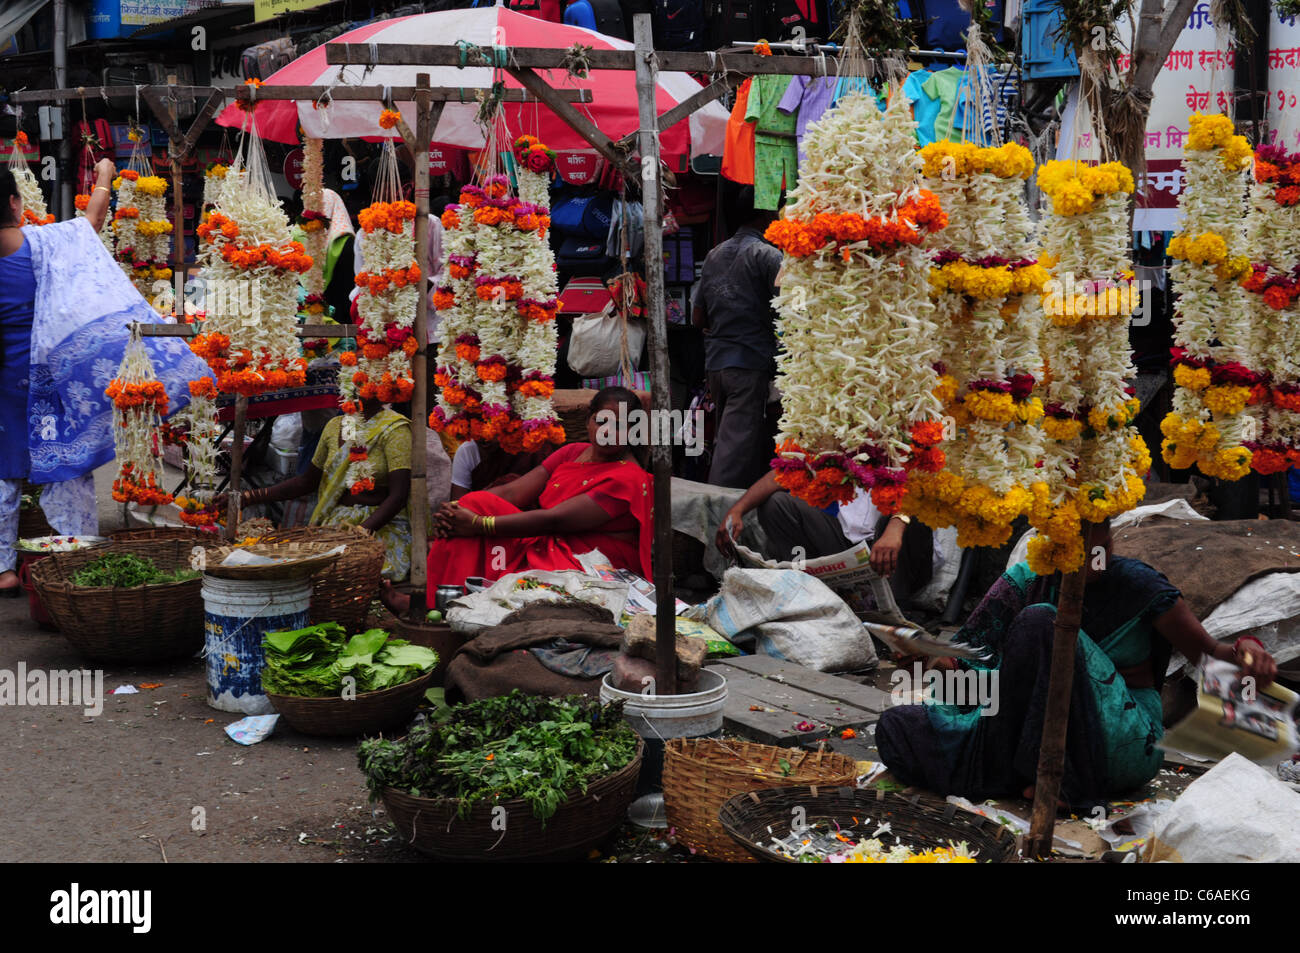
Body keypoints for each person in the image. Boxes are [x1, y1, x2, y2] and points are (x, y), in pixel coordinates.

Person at [874, 521, 1280, 812]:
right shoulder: (1027, 578)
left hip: (1113, 743)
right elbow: (966, 664)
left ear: (1110, 539)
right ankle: (1015, 773)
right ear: (1051, 545)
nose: (1093, 561)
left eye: (1099, 546)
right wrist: (926, 657)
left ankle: (1056, 781)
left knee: (1042, 621)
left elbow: (1209, 655)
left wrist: (1247, 649)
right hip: (1014, 735)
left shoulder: (1140, 586)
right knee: (895, 727)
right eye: (1076, 549)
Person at [0, 159, 210, 596]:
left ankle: (3, 569)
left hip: (3, 380)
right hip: (46, 378)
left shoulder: (42, 242)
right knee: (65, 465)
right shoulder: (43, 243)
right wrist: (102, 177)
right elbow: (90, 222)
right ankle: (75, 554)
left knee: (2, 470)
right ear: (15, 203)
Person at [381, 386, 652, 615]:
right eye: (601, 420)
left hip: (586, 559)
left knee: (480, 524)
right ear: (589, 421)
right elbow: (512, 493)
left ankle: (438, 604)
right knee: (474, 503)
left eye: (620, 424)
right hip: (548, 540)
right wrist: (457, 511)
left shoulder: (629, 477)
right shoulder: (573, 452)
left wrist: (478, 523)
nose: (608, 430)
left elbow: (555, 519)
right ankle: (435, 600)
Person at [229, 398, 412, 580]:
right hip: (335, 526)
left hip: (379, 529)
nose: (358, 387)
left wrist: (358, 534)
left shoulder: (396, 429)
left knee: (349, 573)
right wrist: (248, 497)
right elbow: (307, 481)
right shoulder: (335, 425)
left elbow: (399, 496)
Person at [715, 470, 939, 611]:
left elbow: (924, 485)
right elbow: (782, 472)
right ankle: (807, 596)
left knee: (905, 520)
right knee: (777, 504)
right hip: (846, 540)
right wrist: (737, 510)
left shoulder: (910, 424)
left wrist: (896, 525)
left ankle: (894, 615)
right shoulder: (835, 424)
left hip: (896, 545)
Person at [692, 185, 781, 489]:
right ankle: (717, 513)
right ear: (768, 214)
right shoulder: (767, 255)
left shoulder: (715, 253)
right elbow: (791, 309)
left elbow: (698, 318)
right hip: (749, 362)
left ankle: (737, 505)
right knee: (736, 447)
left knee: (734, 440)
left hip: (718, 362)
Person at [449, 439, 549, 500]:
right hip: (480, 520)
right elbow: (457, 505)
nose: (485, 435)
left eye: (491, 423)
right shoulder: (468, 449)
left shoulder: (533, 447)